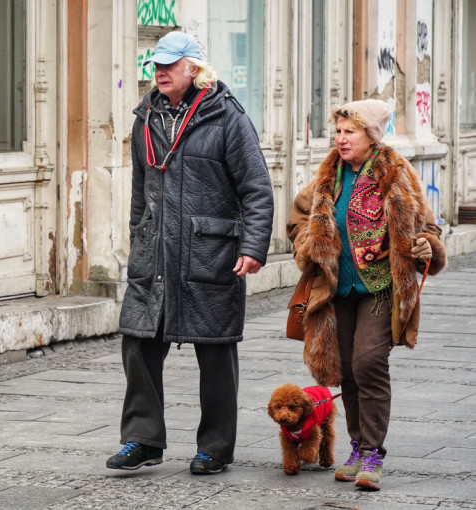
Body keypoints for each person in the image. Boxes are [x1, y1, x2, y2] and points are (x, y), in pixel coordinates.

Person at [106, 31, 274, 475]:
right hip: (155, 253)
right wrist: (139, 237)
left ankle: (214, 447)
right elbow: (140, 192)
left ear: (193, 69)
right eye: (156, 65)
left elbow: (256, 188)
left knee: (215, 350)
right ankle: (141, 439)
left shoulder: (227, 117)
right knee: (139, 343)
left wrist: (255, 246)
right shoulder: (146, 117)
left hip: (210, 251)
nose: (159, 71)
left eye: (169, 64)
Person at [286, 99, 446, 490]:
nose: (340, 139)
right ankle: (357, 447)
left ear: (371, 136)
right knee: (347, 371)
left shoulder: (397, 174)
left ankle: (373, 453)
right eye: (337, 131)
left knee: (368, 362)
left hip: (380, 289)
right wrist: (312, 242)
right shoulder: (327, 176)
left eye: (349, 132)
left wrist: (427, 246)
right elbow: (297, 220)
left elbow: (429, 229)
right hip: (336, 291)